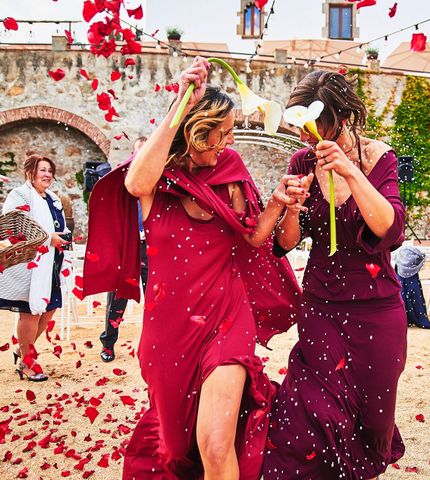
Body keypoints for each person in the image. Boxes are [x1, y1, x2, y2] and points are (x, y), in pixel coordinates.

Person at [82, 57, 300, 479]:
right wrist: (180, 102)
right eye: (219, 133)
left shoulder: (232, 172)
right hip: (169, 330)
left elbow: (254, 238)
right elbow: (133, 185)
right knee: (178, 450)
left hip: (226, 318)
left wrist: (276, 201)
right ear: (193, 130)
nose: (227, 142)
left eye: (230, 132)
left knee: (216, 446)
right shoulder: (155, 181)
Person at [263, 70, 407, 479]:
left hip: (377, 313)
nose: (307, 138)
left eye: (314, 128)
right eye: (302, 129)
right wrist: (291, 206)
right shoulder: (301, 161)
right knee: (314, 416)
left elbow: (389, 229)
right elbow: (285, 243)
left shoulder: (380, 158)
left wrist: (349, 171)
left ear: (340, 120)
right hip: (322, 308)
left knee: (372, 423)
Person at [0, 154, 70, 381]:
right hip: (30, 265)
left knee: (48, 312)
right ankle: (27, 364)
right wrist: (49, 238)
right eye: (42, 170)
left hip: (52, 264)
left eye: (50, 170)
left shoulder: (53, 199)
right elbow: (14, 228)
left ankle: (22, 349)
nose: (47, 174)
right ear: (30, 171)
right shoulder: (20, 195)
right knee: (30, 313)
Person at [99, 136, 148, 362]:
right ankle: (108, 344)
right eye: (138, 152)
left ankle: (153, 345)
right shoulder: (124, 182)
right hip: (127, 246)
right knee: (117, 299)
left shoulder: (155, 180)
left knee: (156, 300)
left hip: (151, 247)